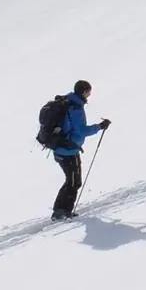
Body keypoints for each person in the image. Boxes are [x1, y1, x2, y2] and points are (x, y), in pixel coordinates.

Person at [50, 80, 110, 220]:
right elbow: (82, 131)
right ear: (84, 92)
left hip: (60, 147)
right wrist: (100, 126)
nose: (90, 94)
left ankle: (59, 210)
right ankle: (63, 212)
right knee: (74, 182)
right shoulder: (75, 108)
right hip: (68, 150)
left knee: (70, 180)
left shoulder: (68, 101)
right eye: (89, 91)